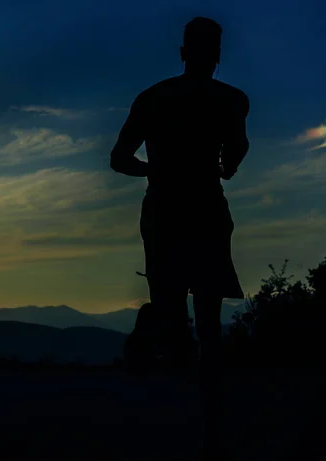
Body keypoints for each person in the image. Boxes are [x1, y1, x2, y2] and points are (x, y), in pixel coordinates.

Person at [110, 16, 250, 460]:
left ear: (183, 52)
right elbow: (238, 148)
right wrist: (227, 164)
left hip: (166, 208)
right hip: (206, 206)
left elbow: (119, 159)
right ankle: (211, 429)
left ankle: (157, 325)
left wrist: (154, 170)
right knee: (207, 319)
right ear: (217, 55)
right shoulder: (231, 100)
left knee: (180, 310)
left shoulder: (154, 98)